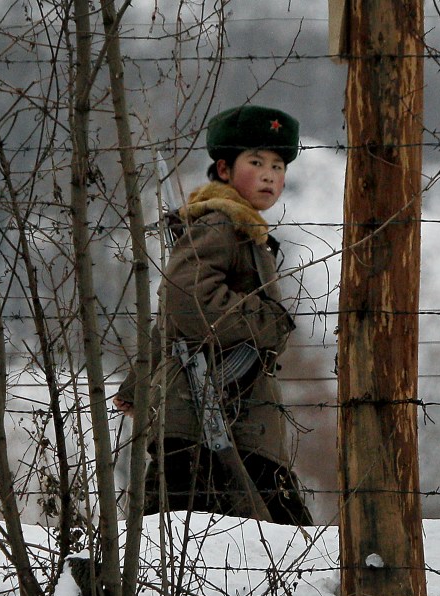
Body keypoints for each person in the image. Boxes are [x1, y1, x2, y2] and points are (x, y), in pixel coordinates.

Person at [115, 105, 313, 525]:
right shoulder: (220, 224)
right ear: (224, 169)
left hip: (230, 415)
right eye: (256, 163)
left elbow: (172, 314)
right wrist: (267, 321)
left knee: (203, 537)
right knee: (269, 539)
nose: (269, 175)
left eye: (277, 166)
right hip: (205, 417)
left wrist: (139, 383)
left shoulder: (242, 229)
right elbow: (185, 300)